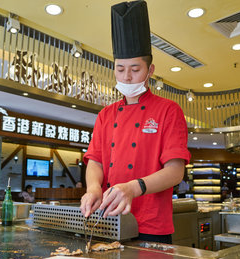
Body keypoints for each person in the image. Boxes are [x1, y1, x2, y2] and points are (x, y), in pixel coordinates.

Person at [80, 1, 190, 244]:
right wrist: (93, 189)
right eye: (120, 69)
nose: (126, 76)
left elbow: (175, 172)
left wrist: (132, 188)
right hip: (109, 220)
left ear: (150, 70)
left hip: (151, 225)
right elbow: (95, 161)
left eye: (135, 69)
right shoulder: (106, 114)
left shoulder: (168, 110)